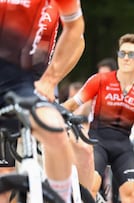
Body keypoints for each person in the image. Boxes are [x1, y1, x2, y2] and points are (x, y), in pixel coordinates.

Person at [62, 33, 134, 203]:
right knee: (92, 186)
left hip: (123, 146)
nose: (126, 58)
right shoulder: (100, 80)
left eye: (131, 54)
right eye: (122, 53)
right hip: (97, 142)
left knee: (131, 193)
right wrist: (51, 112)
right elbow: (72, 104)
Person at [0, 1, 84, 203]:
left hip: (22, 83)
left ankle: (59, 198)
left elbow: (76, 31)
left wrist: (51, 79)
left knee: (55, 131)